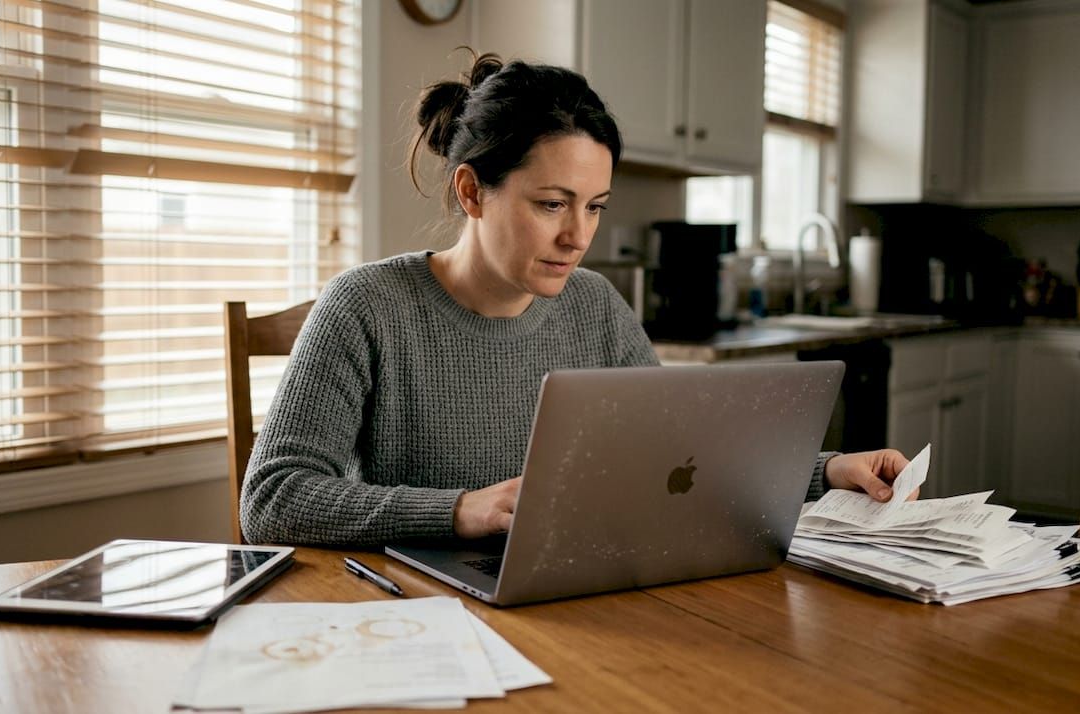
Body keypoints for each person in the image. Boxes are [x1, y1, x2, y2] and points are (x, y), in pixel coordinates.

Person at [240, 51, 911, 546]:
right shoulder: (365, 306)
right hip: (418, 614)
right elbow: (272, 497)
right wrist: (460, 510)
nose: (577, 235)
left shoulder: (593, 305)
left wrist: (827, 471)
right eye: (552, 204)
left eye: (594, 207)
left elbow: (675, 456)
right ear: (472, 192)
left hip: (573, 598)